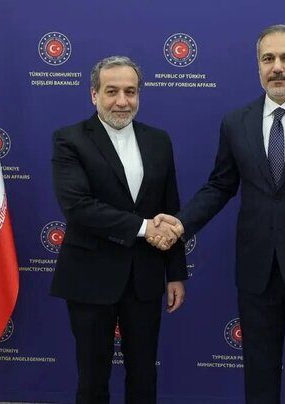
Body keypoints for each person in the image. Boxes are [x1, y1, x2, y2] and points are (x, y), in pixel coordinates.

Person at [151, 25, 285, 403]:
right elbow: (220, 186)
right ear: (258, 66)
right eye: (269, 59)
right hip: (256, 269)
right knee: (259, 373)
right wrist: (181, 223)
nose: (277, 67)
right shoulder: (237, 122)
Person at [51, 55, 187, 404]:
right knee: (92, 378)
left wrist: (175, 273)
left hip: (145, 276)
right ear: (93, 94)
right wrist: (143, 227)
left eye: (130, 91)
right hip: (89, 276)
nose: (122, 101)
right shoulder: (69, 139)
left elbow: (170, 210)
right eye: (112, 91)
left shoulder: (159, 140)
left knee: (144, 375)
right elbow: (78, 207)